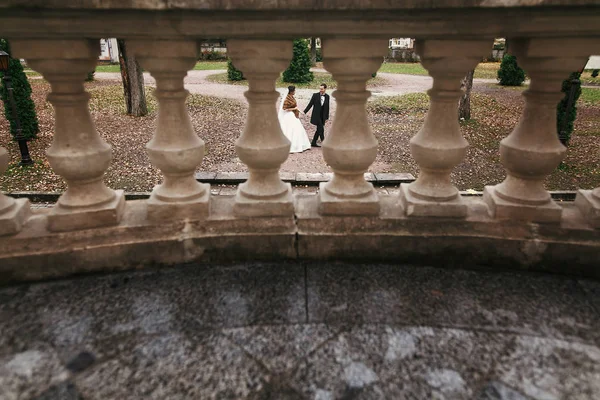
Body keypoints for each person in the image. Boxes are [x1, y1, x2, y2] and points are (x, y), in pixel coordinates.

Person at [278, 86, 311, 153]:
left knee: (296, 129)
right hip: (289, 115)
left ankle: (298, 144)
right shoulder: (287, 98)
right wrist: (294, 109)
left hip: (293, 114)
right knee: (290, 129)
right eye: (294, 90)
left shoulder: (291, 97)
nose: (295, 91)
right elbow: (284, 108)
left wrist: (297, 109)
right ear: (291, 91)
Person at [303, 83, 330, 147]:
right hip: (316, 115)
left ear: (325, 89)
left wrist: (327, 117)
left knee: (319, 129)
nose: (320, 90)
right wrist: (305, 111)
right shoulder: (315, 95)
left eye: (322, 89)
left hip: (322, 116)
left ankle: (313, 142)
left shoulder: (327, 96)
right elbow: (310, 104)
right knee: (321, 128)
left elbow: (327, 107)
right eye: (320, 89)